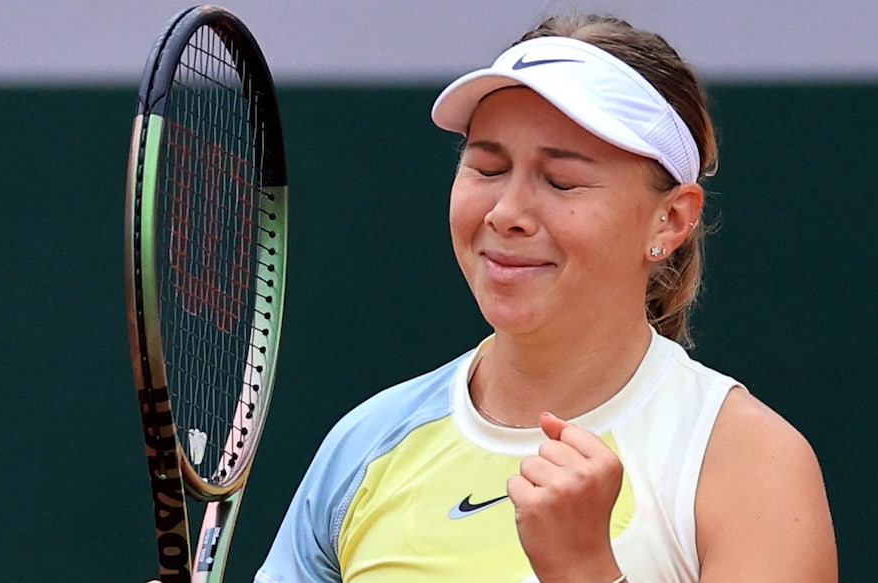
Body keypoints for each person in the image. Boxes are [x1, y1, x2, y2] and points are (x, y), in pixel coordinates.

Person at [255, 13, 837, 583]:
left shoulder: (751, 465)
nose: (507, 213)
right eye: (487, 168)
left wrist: (585, 572)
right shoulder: (366, 446)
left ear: (671, 219)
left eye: (561, 181)